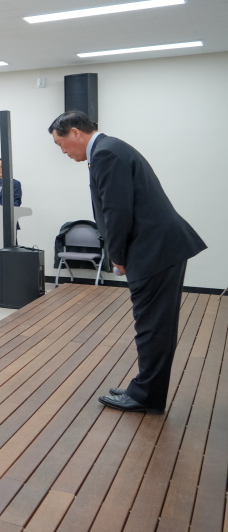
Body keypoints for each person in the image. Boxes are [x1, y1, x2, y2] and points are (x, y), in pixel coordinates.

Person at [49, 110, 206, 414]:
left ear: (75, 134)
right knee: (154, 325)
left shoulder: (107, 154)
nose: (64, 152)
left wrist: (117, 257)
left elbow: (117, 211)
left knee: (152, 326)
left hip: (152, 250)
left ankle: (145, 396)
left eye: (61, 145)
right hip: (158, 247)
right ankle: (146, 389)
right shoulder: (111, 149)